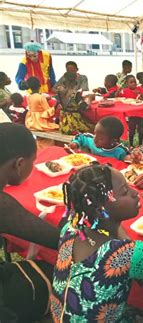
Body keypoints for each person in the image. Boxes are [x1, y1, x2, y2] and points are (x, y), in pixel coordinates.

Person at [50, 163, 143, 321]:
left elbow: (111, 231)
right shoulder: (123, 254)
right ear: (100, 209)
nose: (135, 193)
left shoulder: (70, 229)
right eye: (125, 191)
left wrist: (119, 227)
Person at [0, 124, 60, 322]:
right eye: (32, 163)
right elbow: (59, 239)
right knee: (60, 282)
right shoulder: (4, 206)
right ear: (19, 164)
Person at [118, 75, 143, 146]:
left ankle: (140, 144)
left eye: (134, 82)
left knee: (141, 129)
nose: (133, 83)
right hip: (131, 114)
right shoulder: (125, 91)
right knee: (131, 130)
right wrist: (118, 90)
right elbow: (119, 98)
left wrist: (139, 94)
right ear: (127, 84)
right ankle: (131, 144)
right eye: (131, 82)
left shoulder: (139, 88)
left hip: (140, 113)